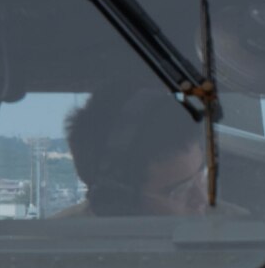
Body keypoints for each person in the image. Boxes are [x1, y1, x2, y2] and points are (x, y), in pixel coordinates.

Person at [62, 84, 209, 217]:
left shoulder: (228, 225)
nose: (203, 199)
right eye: (180, 191)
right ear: (118, 201)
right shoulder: (57, 244)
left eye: (201, 175)